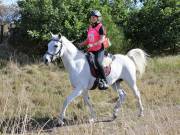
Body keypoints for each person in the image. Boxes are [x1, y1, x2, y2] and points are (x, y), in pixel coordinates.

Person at [79, 10, 108, 90]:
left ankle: (104, 81)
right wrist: (81, 44)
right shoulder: (90, 27)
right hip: (91, 50)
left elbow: (102, 39)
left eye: (94, 17)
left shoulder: (101, 27)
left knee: (98, 63)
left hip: (99, 50)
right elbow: (88, 40)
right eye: (92, 17)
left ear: (98, 18)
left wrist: (93, 44)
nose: (92, 18)